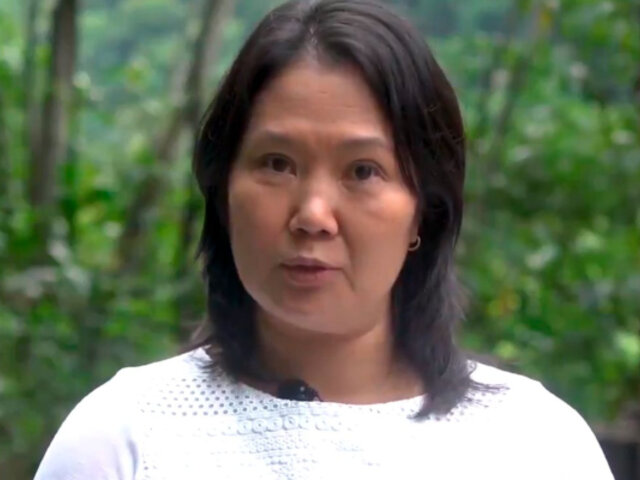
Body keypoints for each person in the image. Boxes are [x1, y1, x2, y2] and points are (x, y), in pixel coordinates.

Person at [34, 0, 614, 478]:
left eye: (363, 171)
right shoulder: (125, 438)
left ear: (424, 213)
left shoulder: (534, 446)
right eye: (277, 163)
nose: (313, 215)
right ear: (223, 191)